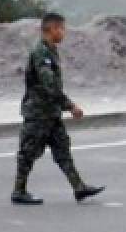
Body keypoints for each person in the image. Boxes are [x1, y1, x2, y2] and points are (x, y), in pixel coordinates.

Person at [11, 12, 104, 205]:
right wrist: (70, 105)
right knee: (28, 152)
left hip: (51, 113)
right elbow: (50, 85)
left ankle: (79, 187)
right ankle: (18, 191)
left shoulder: (50, 50)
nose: (64, 32)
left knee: (62, 150)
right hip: (38, 114)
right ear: (52, 29)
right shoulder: (41, 52)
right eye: (62, 29)